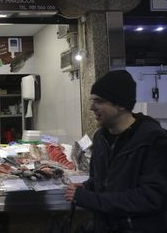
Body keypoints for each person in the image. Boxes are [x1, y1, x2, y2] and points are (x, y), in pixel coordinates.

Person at [65, 70, 167, 233]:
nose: (92, 107)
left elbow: (151, 198)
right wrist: (87, 186)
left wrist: (90, 199)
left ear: (120, 104)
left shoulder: (153, 140)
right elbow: (103, 180)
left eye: (99, 101)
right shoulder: (100, 138)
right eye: (92, 100)